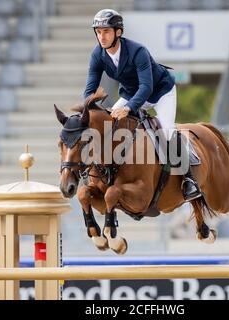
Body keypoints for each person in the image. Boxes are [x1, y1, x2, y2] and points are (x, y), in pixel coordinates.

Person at [83, 9, 201, 202]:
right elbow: (89, 90)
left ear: (118, 32)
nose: (101, 36)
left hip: (160, 92)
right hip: (131, 94)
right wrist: (88, 111)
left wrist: (128, 108)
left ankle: (189, 180)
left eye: (106, 31)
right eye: (98, 32)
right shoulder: (98, 55)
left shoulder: (137, 51)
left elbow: (146, 87)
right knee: (109, 126)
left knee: (167, 131)